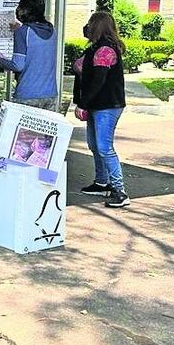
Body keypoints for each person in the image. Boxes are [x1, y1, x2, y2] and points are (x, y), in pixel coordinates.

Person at [73, 11, 129, 208]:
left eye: (90, 23)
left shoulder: (105, 50)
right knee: (94, 145)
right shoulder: (96, 48)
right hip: (98, 104)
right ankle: (102, 182)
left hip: (106, 105)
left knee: (105, 147)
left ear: (97, 27)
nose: (86, 27)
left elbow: (98, 81)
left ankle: (119, 190)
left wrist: (83, 104)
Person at [0, 0, 59, 111]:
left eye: (20, 6)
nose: (17, 10)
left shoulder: (23, 32)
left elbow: (18, 65)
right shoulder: (51, 30)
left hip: (28, 94)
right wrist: (19, 31)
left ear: (26, 10)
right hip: (50, 94)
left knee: (22, 130)